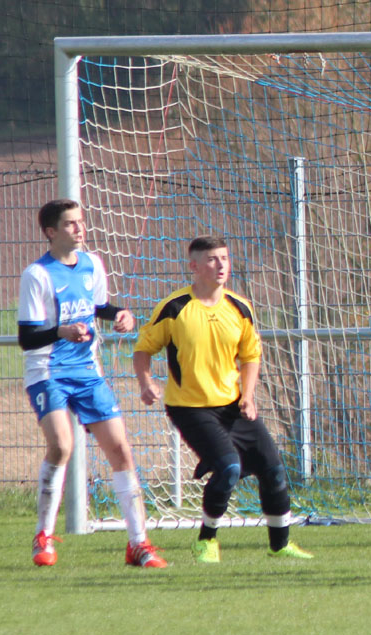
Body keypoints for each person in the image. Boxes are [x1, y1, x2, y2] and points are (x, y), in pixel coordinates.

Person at [133, 235, 312, 563]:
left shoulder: (239, 307)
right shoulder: (175, 308)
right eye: (212, 259)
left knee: (272, 468)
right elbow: (144, 348)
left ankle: (280, 544)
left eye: (224, 259)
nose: (220, 265)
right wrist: (146, 382)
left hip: (232, 405)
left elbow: (251, 356)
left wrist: (249, 396)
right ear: (194, 266)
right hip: (190, 407)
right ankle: (206, 541)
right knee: (229, 467)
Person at [18, 199, 167, 568]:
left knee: (121, 450)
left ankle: (138, 544)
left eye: (81, 222)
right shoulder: (37, 275)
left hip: (87, 372)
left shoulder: (92, 264)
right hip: (49, 371)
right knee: (61, 446)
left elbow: (99, 306)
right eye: (70, 224)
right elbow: (27, 338)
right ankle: (44, 536)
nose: (79, 229)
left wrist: (121, 315)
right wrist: (61, 332)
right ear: (51, 232)